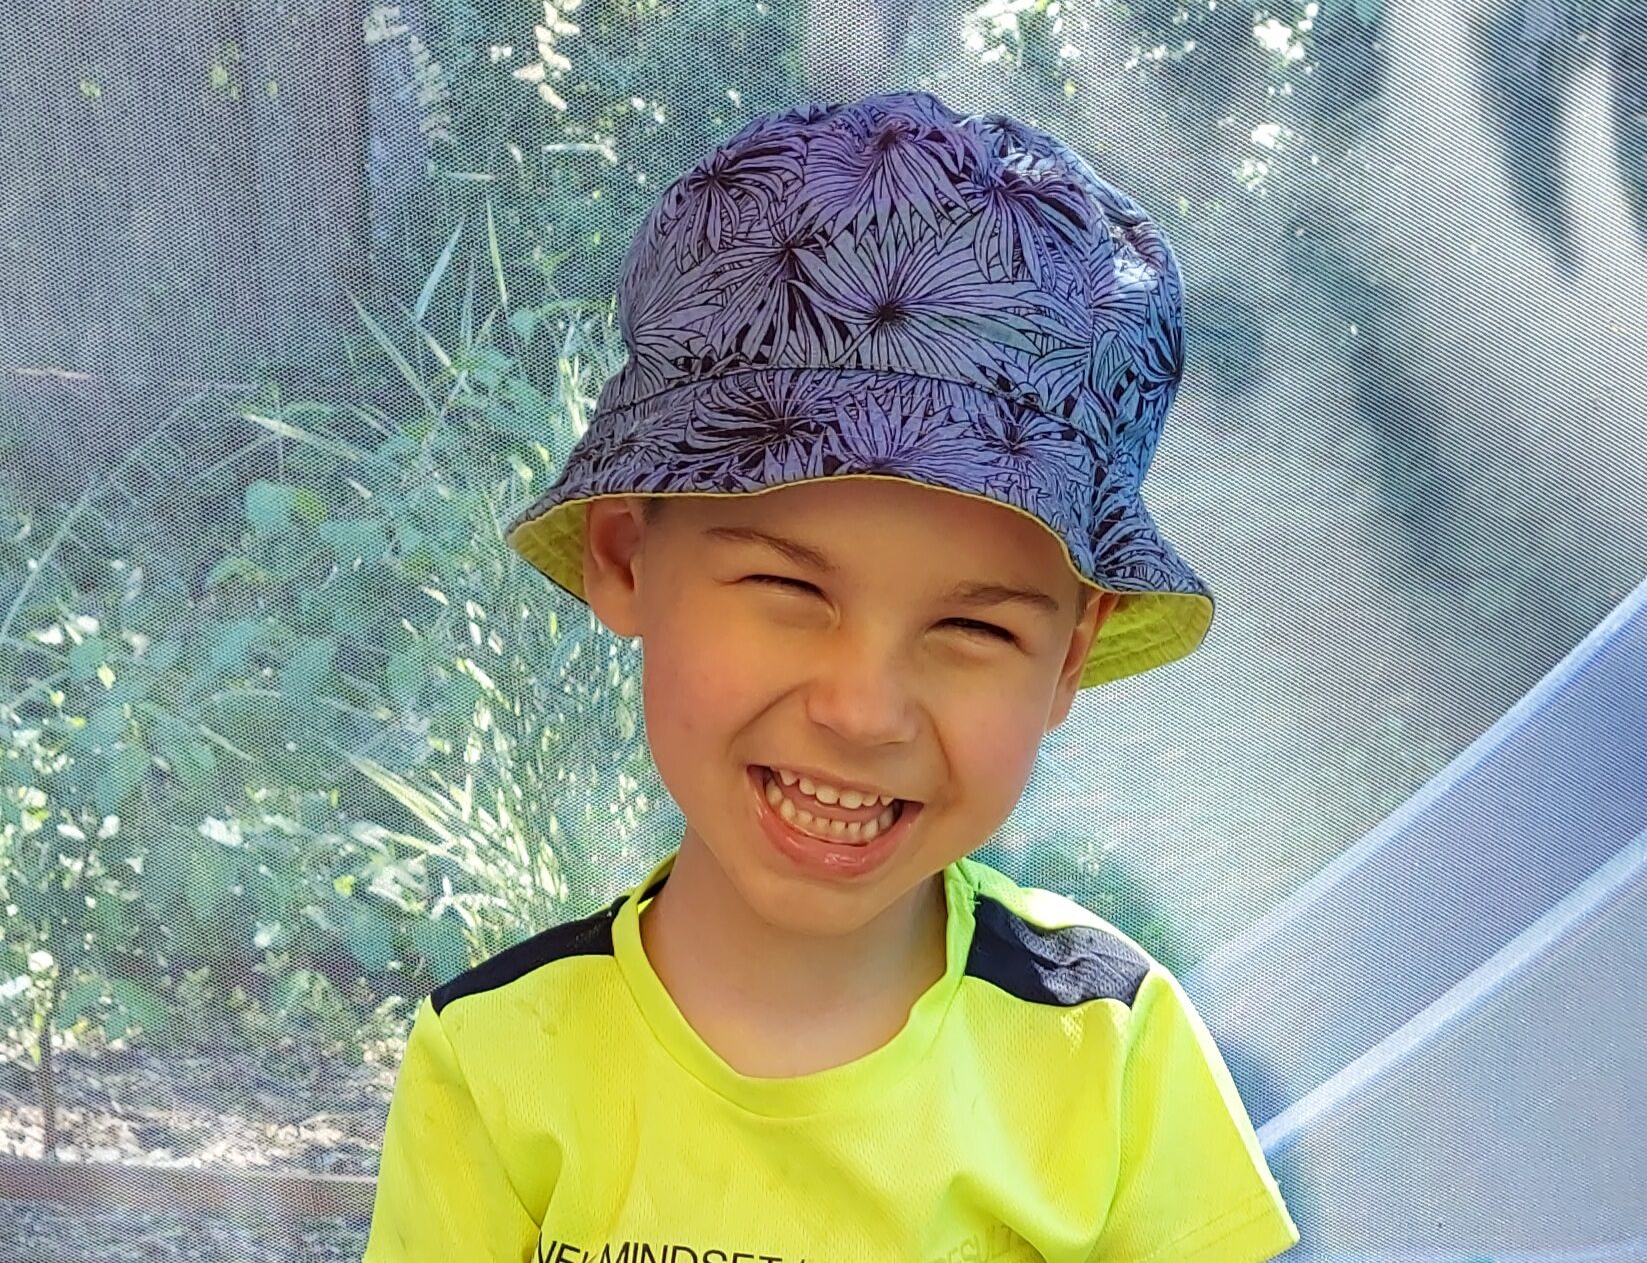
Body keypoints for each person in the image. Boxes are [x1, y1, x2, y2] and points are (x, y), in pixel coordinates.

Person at [363, 90, 1301, 1263]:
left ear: (1070, 651)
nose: (862, 710)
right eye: (789, 588)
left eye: (973, 627)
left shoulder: (1110, 1050)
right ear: (625, 556)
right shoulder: (493, 1058)